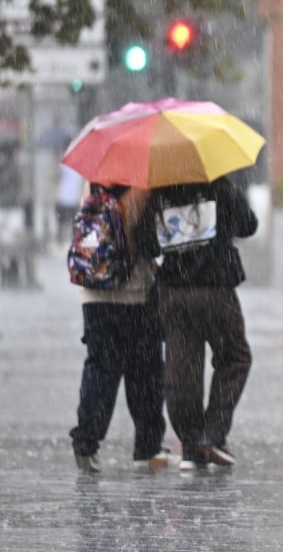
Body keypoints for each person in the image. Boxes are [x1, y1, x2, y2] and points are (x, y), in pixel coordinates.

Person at [155, 176, 258, 471]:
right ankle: (211, 434)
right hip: (215, 289)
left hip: (173, 292)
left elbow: (147, 241)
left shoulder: (162, 190)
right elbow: (249, 225)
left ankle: (190, 445)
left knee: (181, 367)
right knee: (235, 358)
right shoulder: (221, 185)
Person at [69, 185, 169, 472]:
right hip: (133, 294)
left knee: (100, 369)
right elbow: (150, 242)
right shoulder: (141, 188)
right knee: (145, 372)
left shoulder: (92, 181)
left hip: (93, 293)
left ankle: (86, 444)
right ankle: (147, 449)